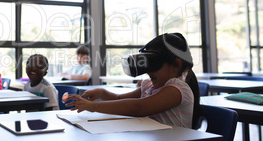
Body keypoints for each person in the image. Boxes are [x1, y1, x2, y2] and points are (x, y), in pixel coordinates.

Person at [66, 33, 200, 131]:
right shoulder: (149, 85)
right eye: (147, 65)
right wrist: (102, 92)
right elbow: (118, 98)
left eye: (154, 65)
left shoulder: (178, 89)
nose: (148, 71)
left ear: (176, 65)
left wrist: (93, 107)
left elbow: (138, 108)